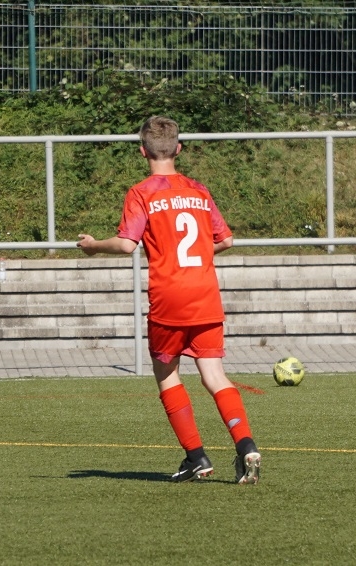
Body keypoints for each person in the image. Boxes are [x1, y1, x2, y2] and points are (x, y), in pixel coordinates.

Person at [77, 115, 261, 484]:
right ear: (178, 149)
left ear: (142, 151)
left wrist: (94, 246)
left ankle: (196, 456)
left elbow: (126, 244)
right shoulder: (198, 190)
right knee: (215, 376)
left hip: (169, 299)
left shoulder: (142, 192)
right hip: (205, 294)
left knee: (167, 375)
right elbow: (225, 240)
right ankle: (246, 446)